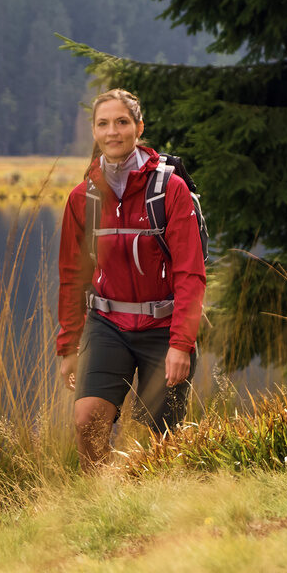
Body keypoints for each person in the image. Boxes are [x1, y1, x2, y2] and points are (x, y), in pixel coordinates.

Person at [55, 89, 208, 468]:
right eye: (103, 124)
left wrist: (181, 344)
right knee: (87, 420)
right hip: (107, 324)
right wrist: (68, 346)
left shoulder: (169, 190)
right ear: (94, 131)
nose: (113, 132)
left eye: (122, 122)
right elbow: (72, 277)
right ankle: (105, 507)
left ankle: (165, 511)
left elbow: (191, 273)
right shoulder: (83, 198)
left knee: (167, 441)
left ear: (138, 128)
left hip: (163, 326)